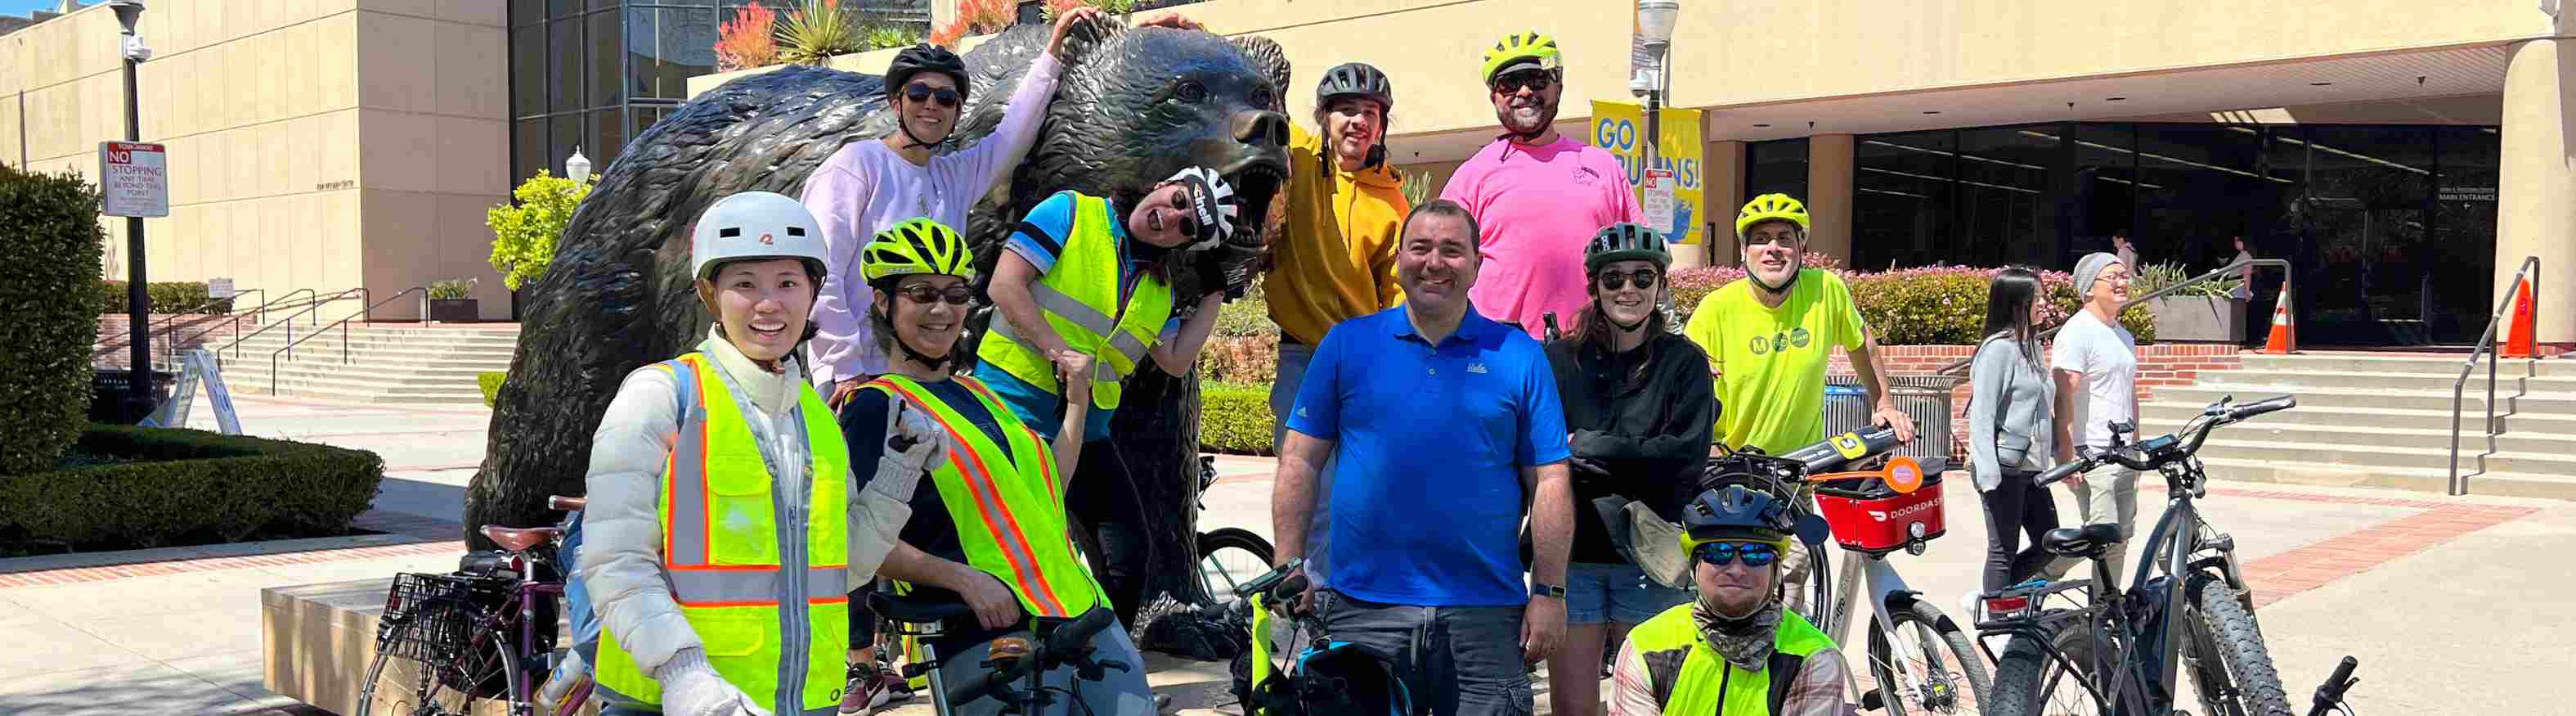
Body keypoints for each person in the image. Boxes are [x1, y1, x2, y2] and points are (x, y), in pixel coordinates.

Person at [581, 191, 944, 716]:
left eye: (788, 284)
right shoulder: (662, 395)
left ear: (813, 292)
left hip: (807, 704)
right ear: (710, 294)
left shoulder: (819, 419)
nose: (769, 304)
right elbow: (615, 561)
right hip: (674, 704)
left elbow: (843, 569)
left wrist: (899, 474)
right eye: (744, 284)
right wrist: (685, 676)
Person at [834, 218, 1156, 716]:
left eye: (956, 293)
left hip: (1082, 615)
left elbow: (1047, 490)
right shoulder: (876, 405)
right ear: (883, 302)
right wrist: (964, 579)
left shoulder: (978, 391)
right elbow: (853, 540)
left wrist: (1075, 404)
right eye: (921, 293)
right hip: (986, 635)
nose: (942, 309)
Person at [1270, 200, 1574, 716]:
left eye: (1453, 250)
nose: (1435, 262)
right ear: (1398, 262)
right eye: (1421, 247)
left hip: (1484, 612)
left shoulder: (1519, 356)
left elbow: (1550, 480)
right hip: (1363, 608)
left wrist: (1549, 592)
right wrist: (1289, 562)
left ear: (1477, 265)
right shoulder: (1348, 345)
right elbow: (1300, 460)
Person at [973, 167, 1238, 624]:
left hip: (1086, 429)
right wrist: (1059, 352)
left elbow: (1174, 360)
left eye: (1187, 227)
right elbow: (1005, 285)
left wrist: (1215, 293)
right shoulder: (1071, 212)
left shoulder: (1158, 291)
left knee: (1130, 555)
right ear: (1161, 183)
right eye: (1178, 201)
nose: (1171, 219)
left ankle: (1099, 665)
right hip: (1012, 407)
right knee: (1020, 547)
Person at [1681, 193, 1917, 615]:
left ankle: (1789, 672)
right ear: (1744, 252)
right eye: (1762, 239)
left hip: (1797, 471)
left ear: (1801, 249)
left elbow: (1861, 342)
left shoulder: (1825, 290)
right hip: (1732, 469)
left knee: (1791, 579)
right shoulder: (1716, 309)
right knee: (1734, 585)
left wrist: (1884, 403)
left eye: (1785, 238)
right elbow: (1686, 386)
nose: (1774, 248)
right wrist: (1702, 445)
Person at [1542, 223, 1712, 716]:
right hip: (1574, 556)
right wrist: (1639, 457)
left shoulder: (1684, 363)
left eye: (1643, 277)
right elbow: (1546, 457)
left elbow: (1683, 461)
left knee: (1659, 706)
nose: (1629, 289)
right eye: (1614, 279)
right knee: (1574, 709)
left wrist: (1592, 448)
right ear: (1594, 286)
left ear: (1661, 285)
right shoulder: (1559, 360)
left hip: (1652, 558)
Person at [1268, 61, 1410, 592]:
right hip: (1303, 355)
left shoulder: (1392, 199)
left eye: (1370, 113)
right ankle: (1303, 594)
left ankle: (1335, 600)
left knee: (1359, 493)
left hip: (1366, 364)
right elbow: (1252, 96)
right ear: (1324, 117)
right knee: (1307, 488)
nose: (1359, 121)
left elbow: (1400, 292)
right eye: (1346, 110)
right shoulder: (1297, 157)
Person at [1438, 30, 1643, 338]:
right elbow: (1442, 270)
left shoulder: (1603, 167)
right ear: (1494, 96)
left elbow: (1641, 258)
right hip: (1496, 354)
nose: (1523, 91)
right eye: (1509, 83)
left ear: (1558, 86)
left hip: (1591, 352)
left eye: (1536, 79)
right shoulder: (1472, 175)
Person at [1608, 482, 1850, 716]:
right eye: (1718, 552)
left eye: (1756, 554)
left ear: (1776, 570)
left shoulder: (1814, 658)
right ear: (1694, 566)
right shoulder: (1646, 647)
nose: (1736, 569)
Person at [1966, 268, 2059, 605]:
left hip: (2032, 467)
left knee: (2050, 541)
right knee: (2003, 549)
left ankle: (1993, 596)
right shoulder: (1998, 351)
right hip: (2004, 467)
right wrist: (1987, 473)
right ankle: (1996, 611)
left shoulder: (2030, 346)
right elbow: (1982, 415)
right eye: (2038, 298)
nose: (2044, 304)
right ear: (2017, 303)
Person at [2053, 252, 2141, 583]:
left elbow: (2129, 394)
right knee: (2101, 536)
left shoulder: (2123, 335)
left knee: (2121, 536)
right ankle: (2035, 579)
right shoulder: (2076, 332)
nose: (2122, 282)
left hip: (2124, 451)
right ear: (2090, 288)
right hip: (2092, 451)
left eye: (2125, 276)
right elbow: (2064, 395)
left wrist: (2137, 446)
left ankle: (2106, 608)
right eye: (2113, 277)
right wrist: (2067, 452)